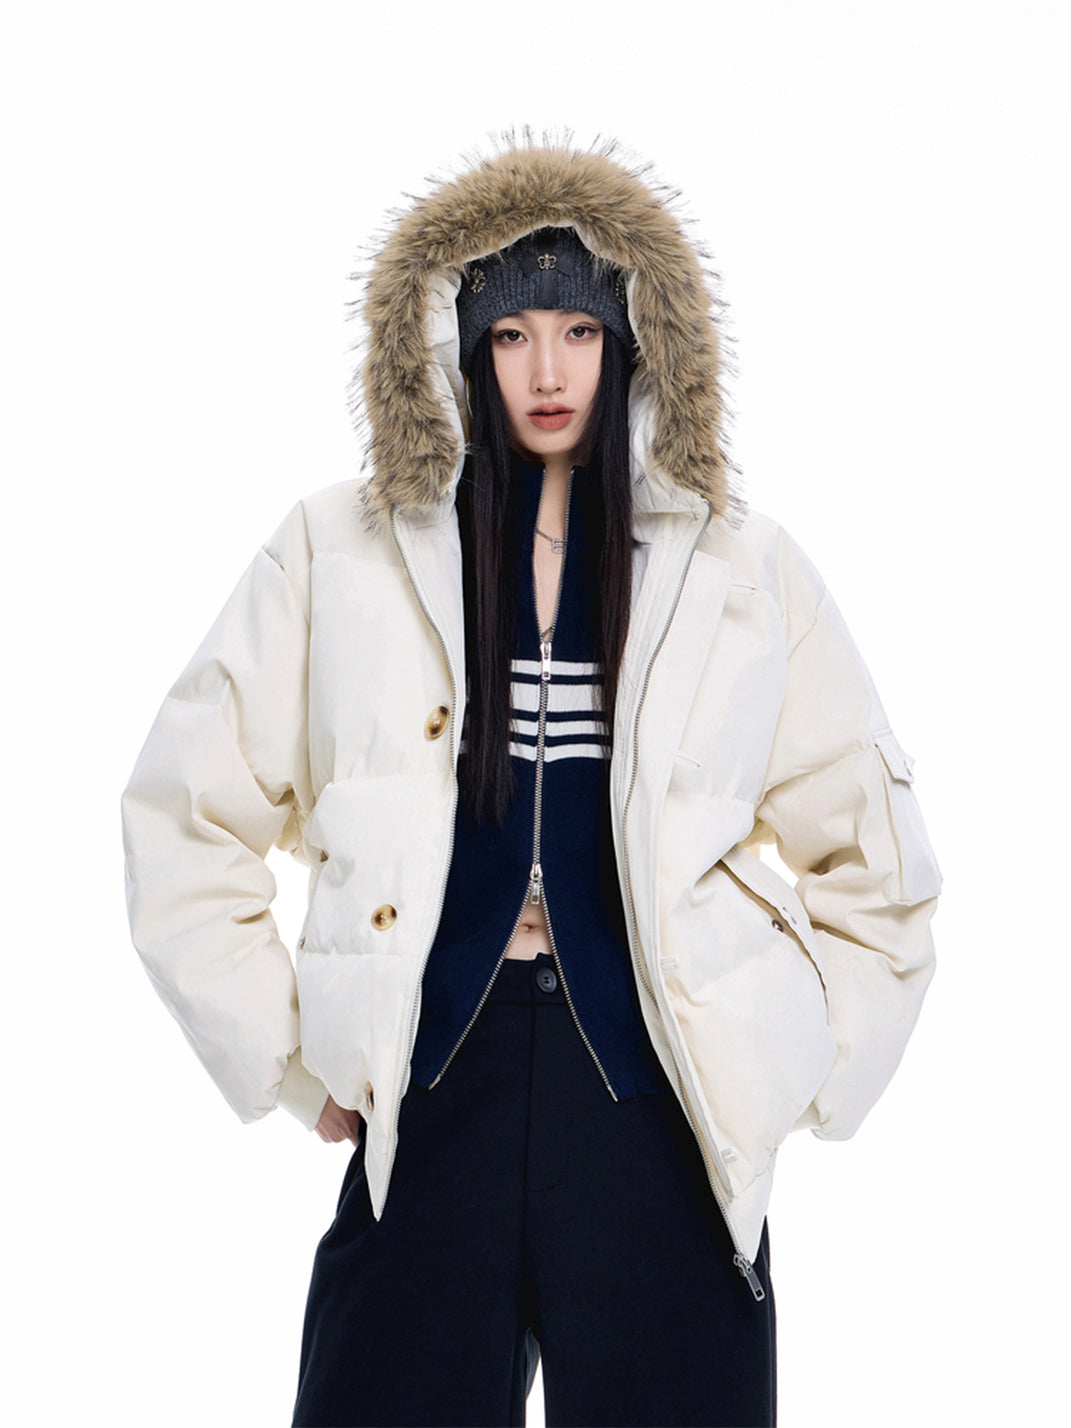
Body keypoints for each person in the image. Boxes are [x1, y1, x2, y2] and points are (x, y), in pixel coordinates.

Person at [120, 137, 942, 1428]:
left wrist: (798, 1067)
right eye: (510, 335)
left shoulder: (739, 568)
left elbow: (876, 856)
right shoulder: (338, 550)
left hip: (658, 1099)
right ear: (457, 345)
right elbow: (184, 813)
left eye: (578, 331)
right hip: (436, 1086)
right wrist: (290, 1060)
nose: (547, 372)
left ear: (634, 342)